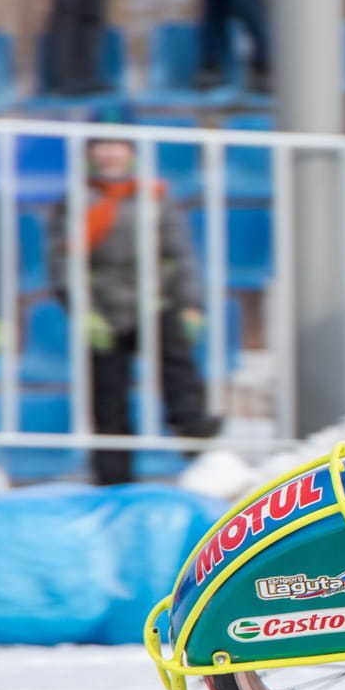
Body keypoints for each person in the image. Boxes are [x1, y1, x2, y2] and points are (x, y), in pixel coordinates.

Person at [77, 137, 213, 485]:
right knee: (108, 396)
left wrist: (191, 303)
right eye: (102, 146)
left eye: (117, 145)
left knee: (178, 369)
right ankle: (112, 479)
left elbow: (181, 253)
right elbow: (63, 258)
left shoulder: (155, 196)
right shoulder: (79, 199)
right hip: (105, 307)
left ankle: (200, 448)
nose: (109, 153)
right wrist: (83, 308)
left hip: (155, 301)